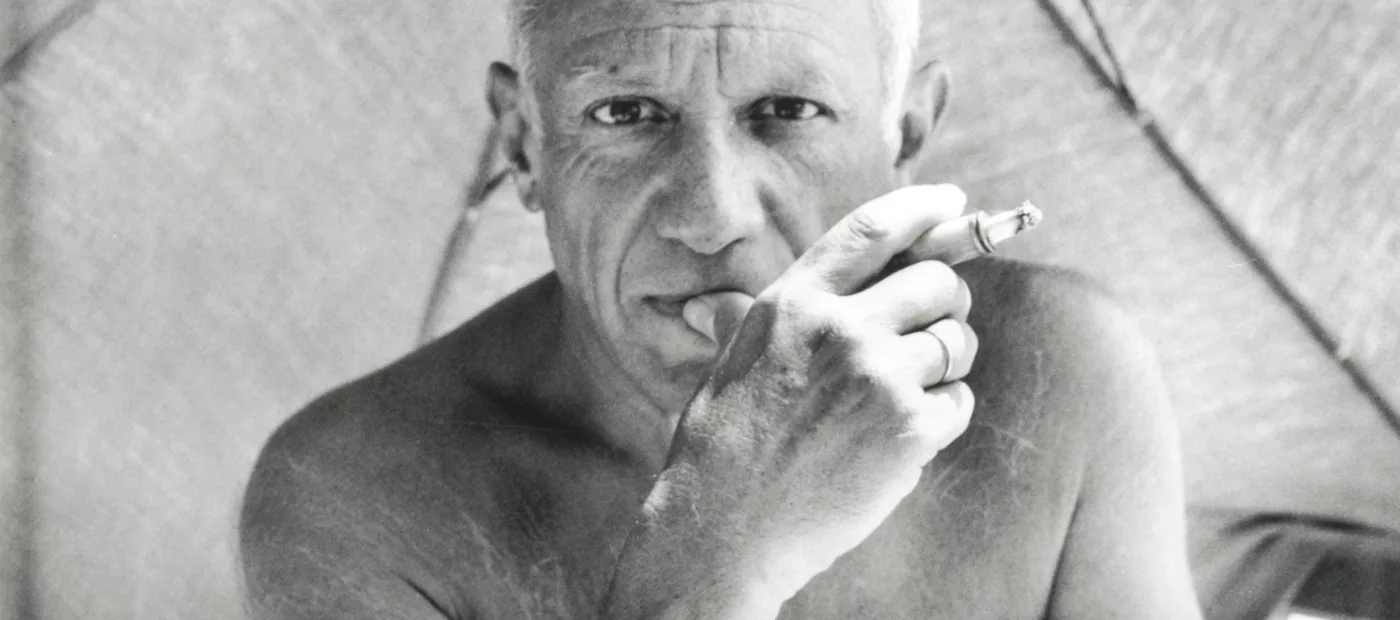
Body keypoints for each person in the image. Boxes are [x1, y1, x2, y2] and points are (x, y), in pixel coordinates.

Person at [239, 0, 1204, 617]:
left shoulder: (1057, 377)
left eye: (787, 111)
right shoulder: (355, 497)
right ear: (524, 143)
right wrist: (712, 553)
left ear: (905, 134)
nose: (711, 216)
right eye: (625, 114)